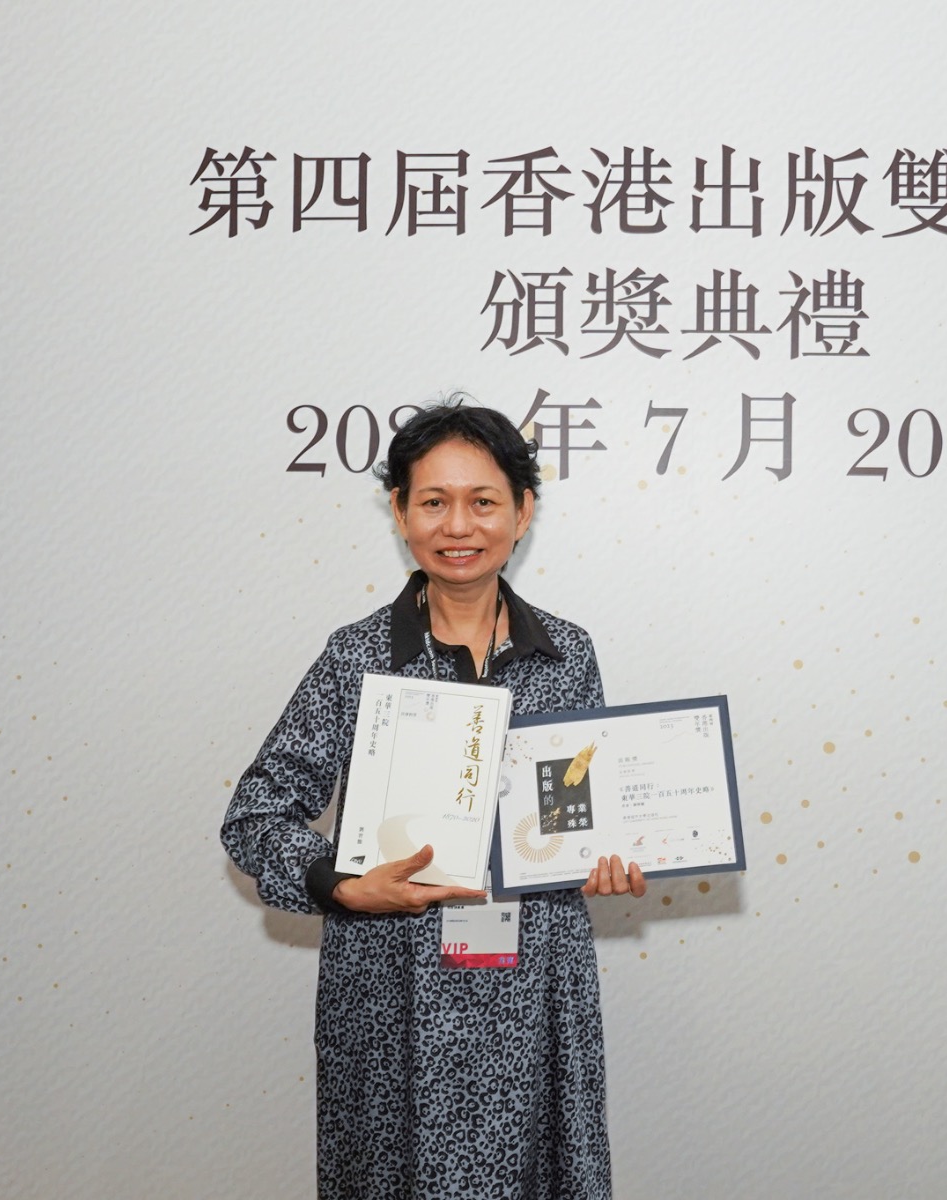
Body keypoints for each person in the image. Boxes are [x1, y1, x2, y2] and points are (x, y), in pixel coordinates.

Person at [222, 399, 644, 1200]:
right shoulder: (356, 657)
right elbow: (255, 816)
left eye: (483, 501)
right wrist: (342, 884)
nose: (459, 526)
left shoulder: (567, 653)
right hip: (391, 991)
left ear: (523, 511)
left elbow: (572, 815)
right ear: (400, 511)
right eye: (434, 502)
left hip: (533, 992)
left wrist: (604, 857)